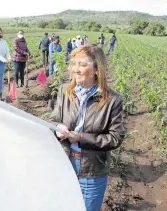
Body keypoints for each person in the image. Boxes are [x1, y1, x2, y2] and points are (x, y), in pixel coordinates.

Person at [48, 44, 125, 211]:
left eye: (83, 65)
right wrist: (57, 127)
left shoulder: (113, 100)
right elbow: (53, 119)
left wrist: (81, 138)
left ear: (97, 69)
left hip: (92, 169)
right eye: (74, 63)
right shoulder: (65, 91)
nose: (76, 69)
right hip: (64, 163)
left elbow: (115, 137)